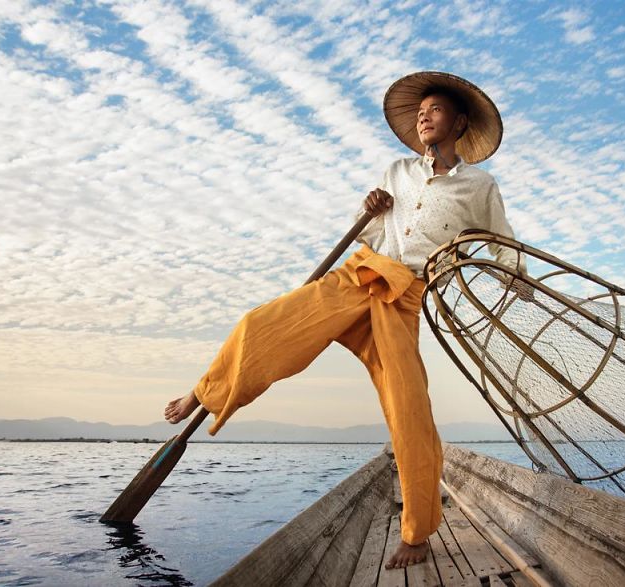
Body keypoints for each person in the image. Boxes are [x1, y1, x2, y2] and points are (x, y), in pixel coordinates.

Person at [164, 71, 523, 569]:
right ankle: (204, 391)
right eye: (421, 111)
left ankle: (417, 534)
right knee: (262, 325)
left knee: (409, 408)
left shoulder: (481, 187)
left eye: (435, 109)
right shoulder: (397, 169)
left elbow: (503, 246)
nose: (424, 115)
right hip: (358, 277)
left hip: (403, 296)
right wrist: (371, 207)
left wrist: (520, 286)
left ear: (460, 122)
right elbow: (376, 234)